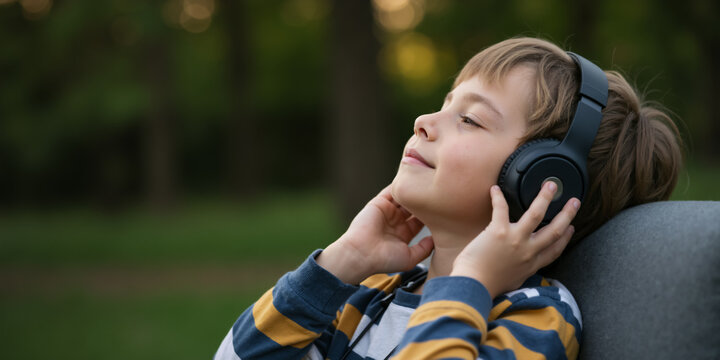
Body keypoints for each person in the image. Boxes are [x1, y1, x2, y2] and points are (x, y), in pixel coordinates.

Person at [213, 37, 683, 360]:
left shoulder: (535, 317)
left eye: (470, 119)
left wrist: (473, 279)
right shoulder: (370, 293)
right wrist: (340, 263)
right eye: (444, 104)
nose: (423, 121)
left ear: (544, 181)